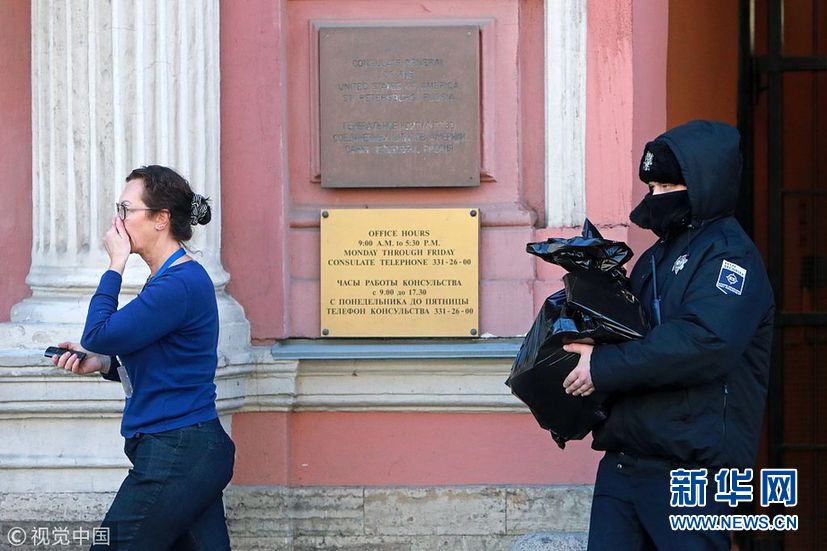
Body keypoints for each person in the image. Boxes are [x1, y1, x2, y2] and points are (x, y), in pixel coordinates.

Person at [561, 120, 775, 550]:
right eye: (652, 187)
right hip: (623, 465)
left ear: (705, 183)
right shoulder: (655, 258)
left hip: (693, 474)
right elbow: (630, 335)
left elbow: (703, 342)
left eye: (668, 186)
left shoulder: (731, 257)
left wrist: (602, 367)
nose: (656, 196)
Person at [50, 165, 235, 550]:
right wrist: (104, 363)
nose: (117, 222)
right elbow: (167, 360)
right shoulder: (169, 280)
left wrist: (114, 265)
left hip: (177, 450)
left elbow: (97, 334)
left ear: (161, 219)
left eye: (126, 210)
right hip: (187, 451)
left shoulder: (179, 283)